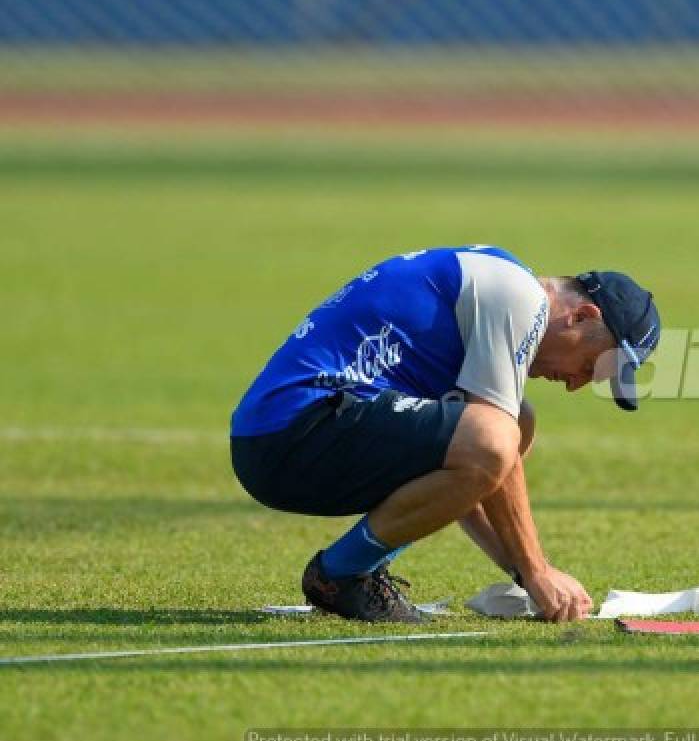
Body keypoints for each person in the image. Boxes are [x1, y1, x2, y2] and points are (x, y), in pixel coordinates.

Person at [229, 246, 661, 623]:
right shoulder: (518, 296)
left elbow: (471, 483)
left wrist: (524, 575)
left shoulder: (502, 281)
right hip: (293, 428)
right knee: (496, 434)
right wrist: (538, 571)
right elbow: (488, 450)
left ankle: (355, 571)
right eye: (590, 366)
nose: (575, 385)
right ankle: (341, 574)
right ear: (582, 316)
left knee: (515, 423)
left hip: (284, 435)